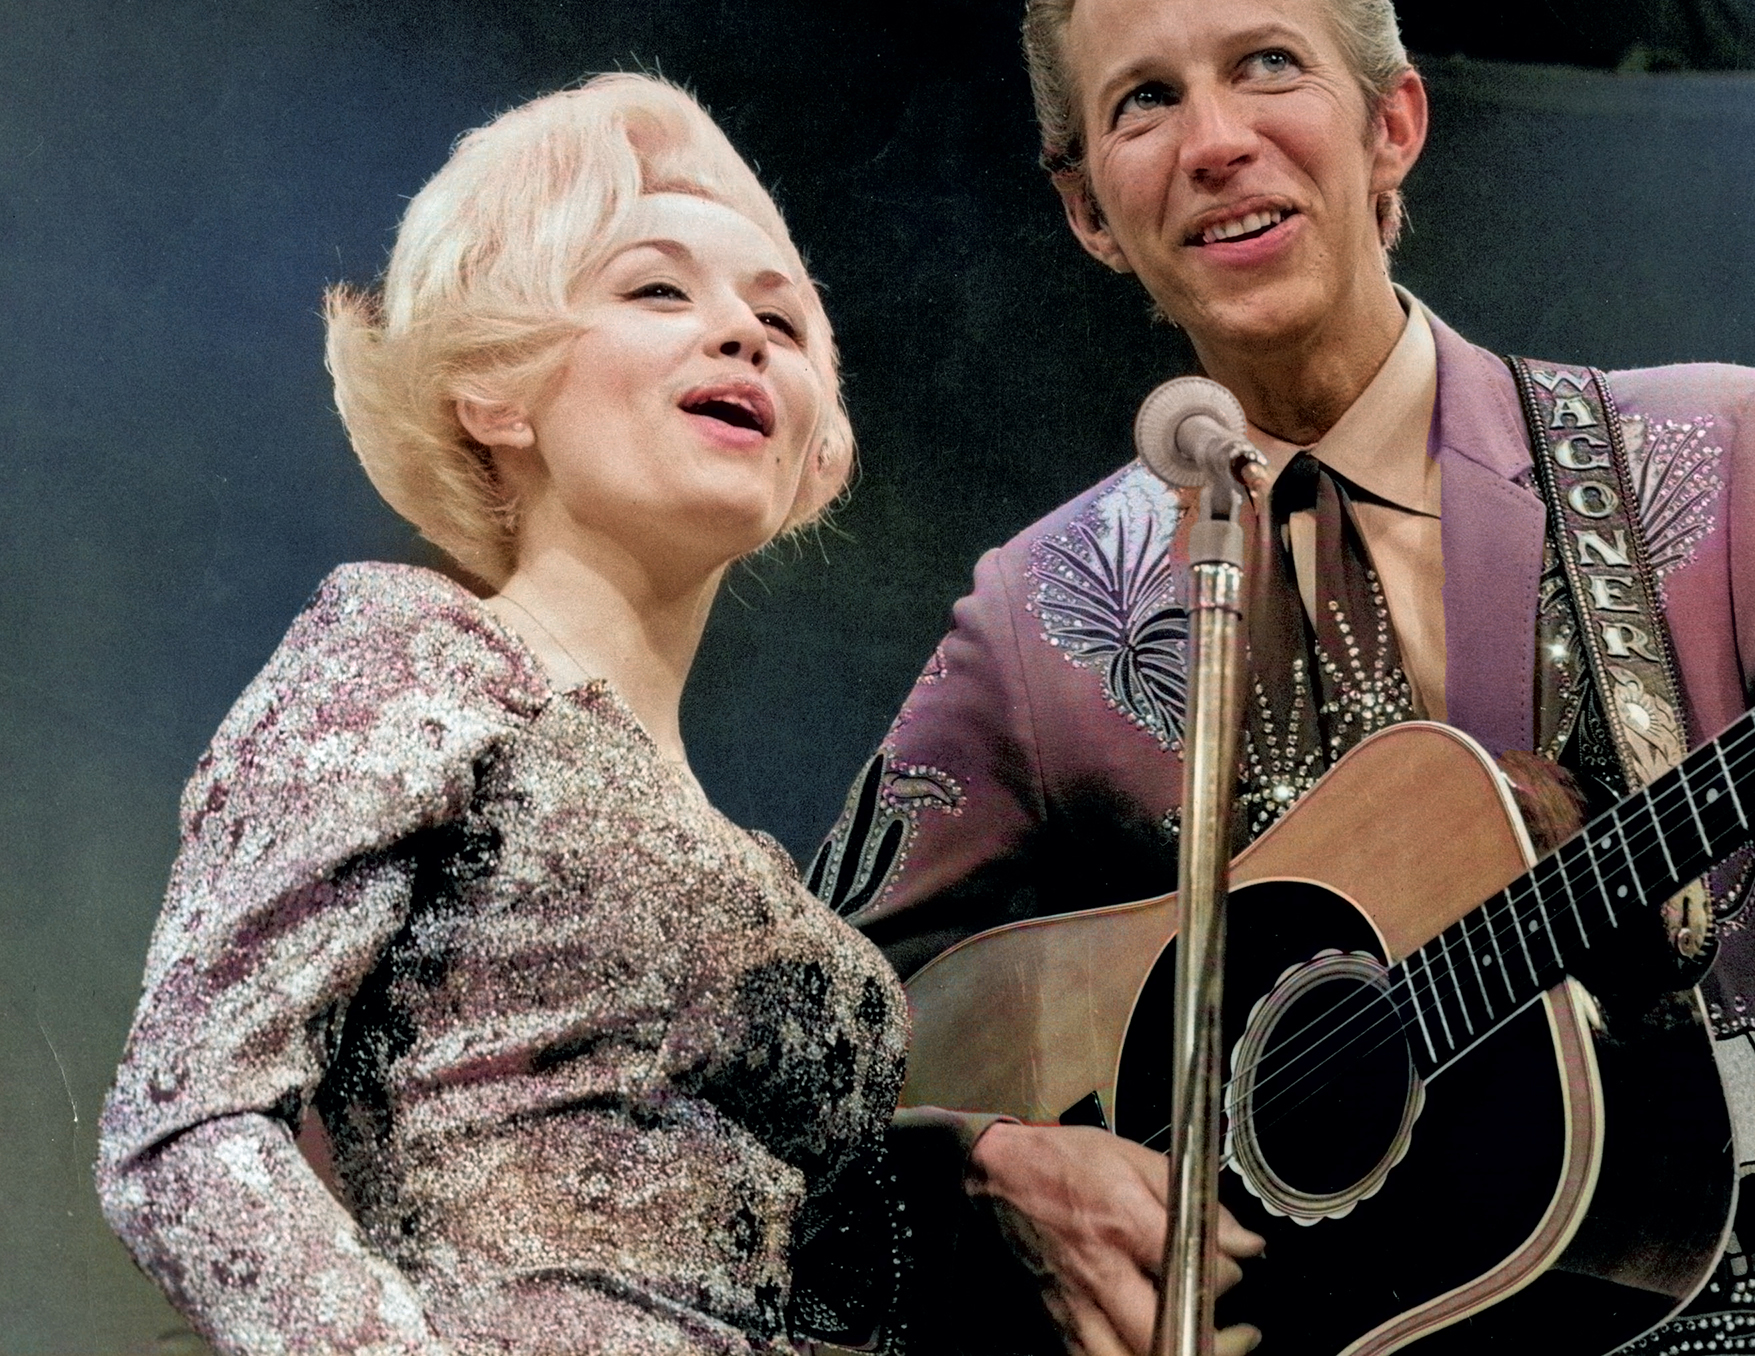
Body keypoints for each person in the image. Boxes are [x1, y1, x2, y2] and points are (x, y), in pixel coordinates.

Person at [811, 0, 1755, 1356]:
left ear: (1393, 125)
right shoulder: (1045, 617)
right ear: (1088, 212)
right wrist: (991, 1171)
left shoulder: (1723, 454)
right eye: (1143, 100)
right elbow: (806, 1021)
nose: (1217, 140)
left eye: (1268, 66)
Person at [95, 73, 1260, 1356]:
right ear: (496, 392)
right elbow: (184, 1128)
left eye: (781, 317)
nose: (744, 334)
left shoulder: (754, 871)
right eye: (659, 289)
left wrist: (991, 1165)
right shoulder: (408, 656)